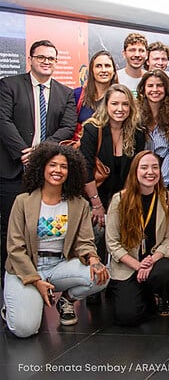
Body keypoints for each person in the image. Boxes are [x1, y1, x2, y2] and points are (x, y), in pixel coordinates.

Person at [3, 144, 109, 337]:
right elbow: (15, 249)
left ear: (71, 172)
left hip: (59, 266)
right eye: (53, 165)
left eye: (64, 166)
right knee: (25, 329)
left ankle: (66, 300)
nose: (58, 170)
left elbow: (84, 241)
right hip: (26, 269)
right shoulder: (23, 201)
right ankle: (12, 308)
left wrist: (93, 259)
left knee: (101, 276)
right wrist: (36, 281)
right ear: (42, 167)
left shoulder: (79, 204)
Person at [0, 40, 77, 275]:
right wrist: (24, 152)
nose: (46, 62)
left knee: (39, 229)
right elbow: (3, 120)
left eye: (51, 58)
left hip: (47, 174)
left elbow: (68, 126)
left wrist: (40, 152)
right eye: (41, 57)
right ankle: (9, 283)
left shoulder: (65, 93)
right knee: (10, 230)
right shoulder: (9, 85)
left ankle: (39, 279)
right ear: (30, 59)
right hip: (12, 171)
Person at [105, 150, 169, 324]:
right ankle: (143, 293)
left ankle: (164, 293)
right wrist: (138, 266)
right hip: (128, 264)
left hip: (157, 261)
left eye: (155, 167)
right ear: (135, 171)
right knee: (127, 317)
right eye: (144, 167)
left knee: (164, 274)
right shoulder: (119, 200)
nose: (150, 172)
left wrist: (151, 261)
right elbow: (112, 243)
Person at [80, 84, 147, 260]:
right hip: (94, 195)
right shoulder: (92, 129)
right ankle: (96, 281)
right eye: (115, 104)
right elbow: (85, 169)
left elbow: (135, 169)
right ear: (106, 105)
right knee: (97, 237)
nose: (120, 109)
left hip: (123, 195)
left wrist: (124, 201)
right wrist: (96, 204)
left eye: (125, 104)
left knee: (124, 240)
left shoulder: (137, 132)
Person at [137, 70, 169, 194]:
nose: (155, 89)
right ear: (143, 89)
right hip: (139, 180)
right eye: (150, 86)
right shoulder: (136, 115)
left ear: (166, 89)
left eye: (159, 85)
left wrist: (158, 184)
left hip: (168, 182)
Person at [73, 50, 118, 127]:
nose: (103, 70)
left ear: (113, 71)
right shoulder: (77, 95)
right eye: (98, 66)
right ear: (92, 71)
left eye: (107, 66)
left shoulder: (121, 97)